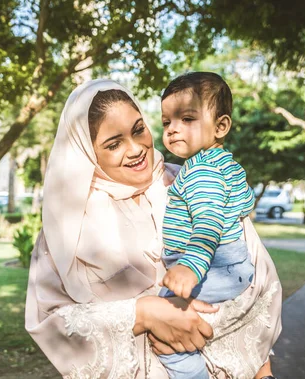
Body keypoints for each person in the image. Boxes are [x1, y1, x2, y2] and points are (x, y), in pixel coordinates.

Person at [25, 79, 282, 379]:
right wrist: (142, 313)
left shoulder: (191, 180)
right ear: (88, 152)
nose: (136, 150)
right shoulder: (68, 223)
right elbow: (50, 320)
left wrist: (263, 373)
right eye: (114, 143)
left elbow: (259, 280)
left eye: (138, 130)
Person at [157, 72, 274, 379]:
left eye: (186, 118)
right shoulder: (224, 164)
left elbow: (207, 227)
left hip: (212, 267)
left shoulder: (200, 173)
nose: (173, 129)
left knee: (167, 333)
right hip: (234, 264)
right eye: (167, 122)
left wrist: (190, 268)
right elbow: (245, 203)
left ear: (221, 126)